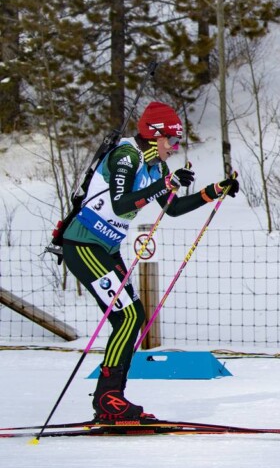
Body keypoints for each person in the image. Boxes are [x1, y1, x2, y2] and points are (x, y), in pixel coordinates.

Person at [61, 101, 239, 420]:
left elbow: (173, 208)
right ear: (156, 135)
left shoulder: (157, 167)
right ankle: (108, 399)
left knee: (133, 316)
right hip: (83, 244)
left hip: (106, 247)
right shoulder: (127, 156)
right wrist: (165, 184)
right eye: (172, 140)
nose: (175, 147)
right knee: (128, 316)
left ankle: (110, 397)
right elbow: (120, 204)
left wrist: (215, 191)